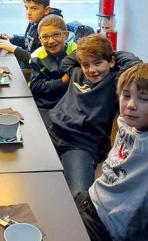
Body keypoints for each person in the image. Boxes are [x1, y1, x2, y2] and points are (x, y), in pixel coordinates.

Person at [47, 34, 141, 197]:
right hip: (53, 131)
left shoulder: (116, 81)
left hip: (81, 144)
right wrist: (86, 54)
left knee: (79, 196)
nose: (92, 70)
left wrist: (109, 53)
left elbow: (134, 63)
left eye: (98, 63)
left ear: (111, 62)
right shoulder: (77, 72)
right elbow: (66, 61)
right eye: (86, 64)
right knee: (31, 176)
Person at [75, 63, 148, 241]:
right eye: (126, 96)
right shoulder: (124, 121)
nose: (131, 105)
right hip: (91, 197)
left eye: (144, 99)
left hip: (107, 224)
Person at [0, 0, 62, 69]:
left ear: (46, 10)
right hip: (23, 65)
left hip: (32, 72)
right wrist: (13, 38)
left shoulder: (49, 29)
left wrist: (13, 48)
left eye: (34, 8)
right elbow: (30, 42)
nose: (28, 13)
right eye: (26, 7)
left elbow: (38, 60)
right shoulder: (35, 21)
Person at [29, 14, 77, 127]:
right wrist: (62, 81)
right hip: (45, 105)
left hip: (70, 104)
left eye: (56, 34)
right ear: (40, 39)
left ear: (66, 35)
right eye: (45, 37)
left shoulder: (76, 52)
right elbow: (35, 86)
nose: (50, 41)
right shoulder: (37, 57)